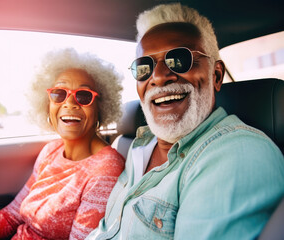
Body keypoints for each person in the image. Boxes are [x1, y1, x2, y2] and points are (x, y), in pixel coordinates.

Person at [87, 3, 284, 240]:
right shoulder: (139, 146)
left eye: (179, 59)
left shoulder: (238, 154)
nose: (158, 77)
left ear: (216, 75)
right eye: (144, 67)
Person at [0, 48, 125, 240]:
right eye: (59, 94)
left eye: (83, 95)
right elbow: (11, 215)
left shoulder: (106, 170)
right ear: (48, 105)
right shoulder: (51, 151)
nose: (70, 103)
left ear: (100, 107)